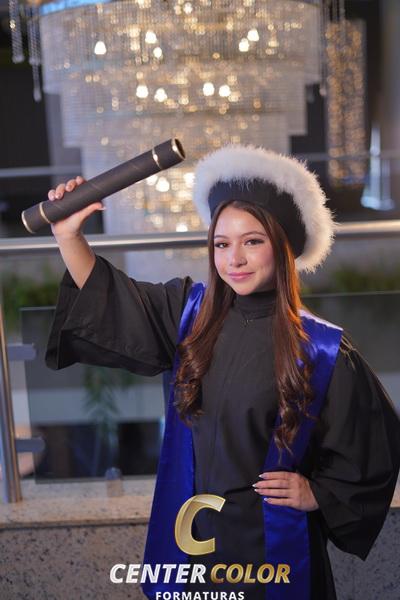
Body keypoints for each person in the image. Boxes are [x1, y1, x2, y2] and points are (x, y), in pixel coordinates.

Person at [45, 144, 400, 600]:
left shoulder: (322, 349)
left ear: (283, 247)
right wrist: (68, 235)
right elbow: (111, 298)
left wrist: (318, 494)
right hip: (191, 535)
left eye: (253, 241)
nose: (234, 259)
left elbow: (371, 446)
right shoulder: (189, 314)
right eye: (221, 244)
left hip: (271, 544)